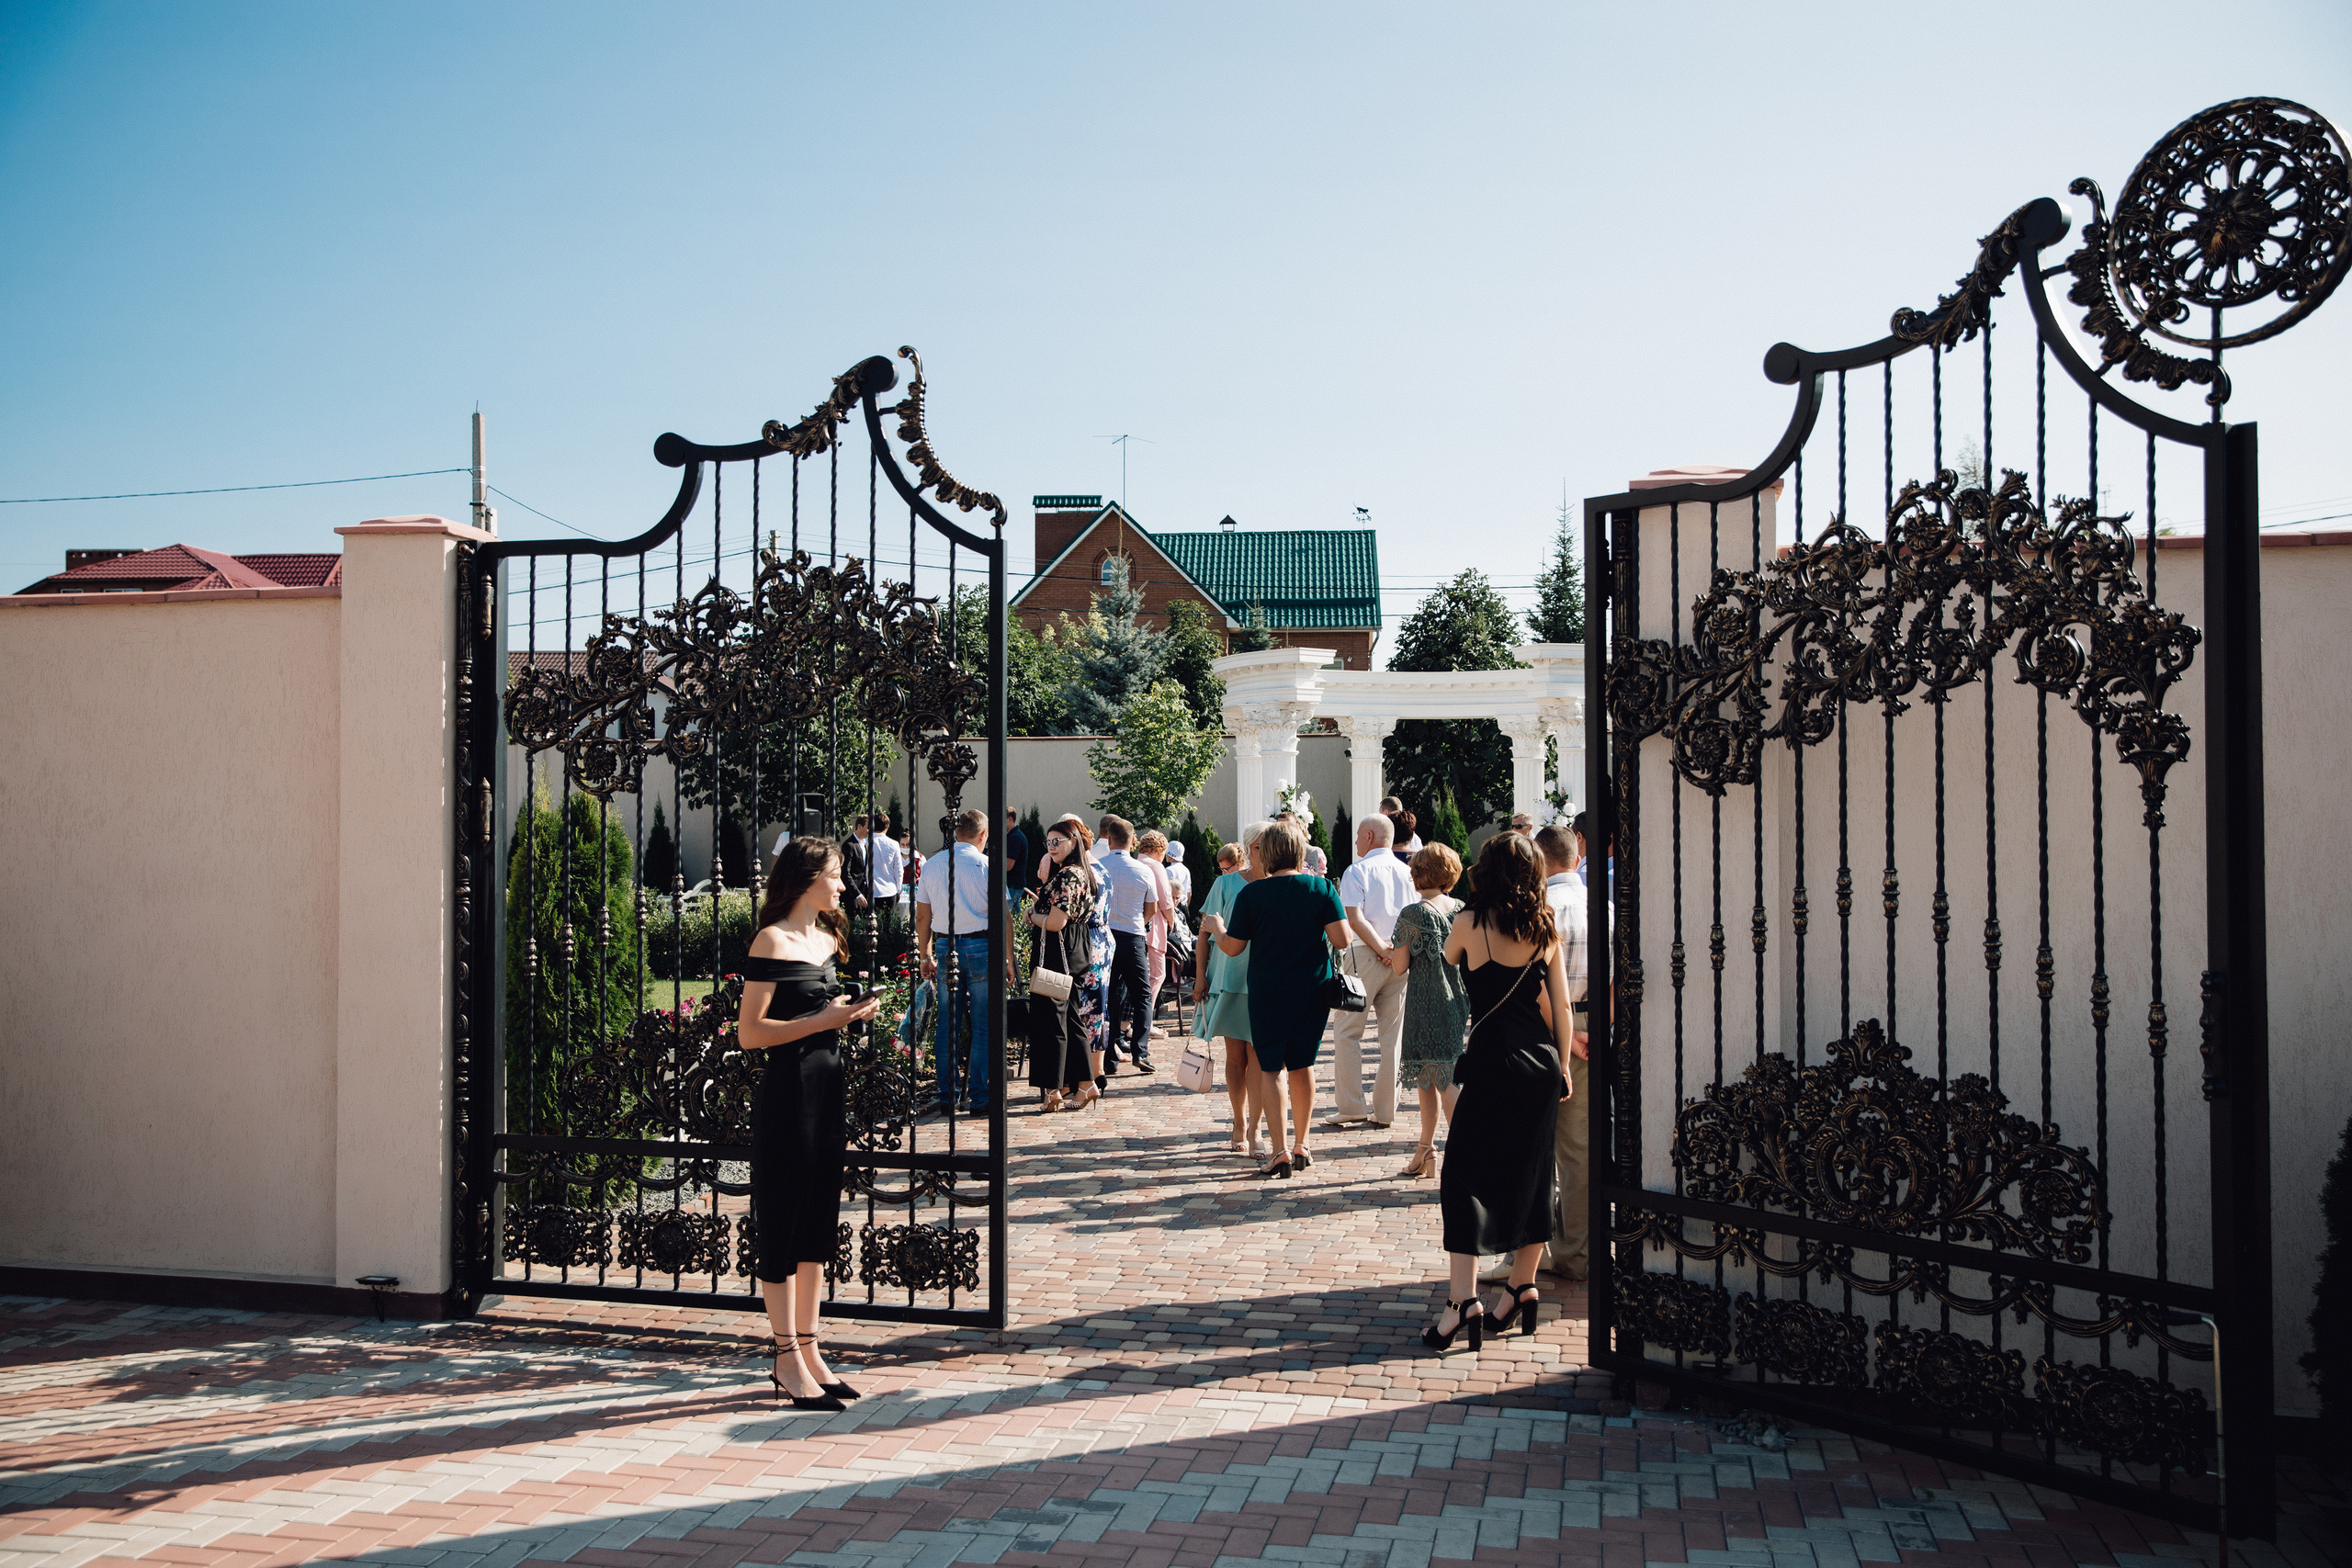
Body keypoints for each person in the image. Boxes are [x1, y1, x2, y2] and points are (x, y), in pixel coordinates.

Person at [736, 836, 882, 1410]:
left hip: (829, 1091)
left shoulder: (826, 939)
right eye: (836, 875)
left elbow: (820, 1016)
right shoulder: (770, 940)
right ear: (806, 879)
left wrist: (845, 1015)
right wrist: (823, 1020)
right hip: (788, 1095)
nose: (842, 885)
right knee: (783, 1220)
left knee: (818, 1220)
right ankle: (784, 1357)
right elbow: (751, 1033)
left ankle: (811, 1349)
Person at [1423, 831, 1575, 1355]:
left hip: (1490, 1059)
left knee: (1464, 1174)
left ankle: (1462, 1300)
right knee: (1534, 1175)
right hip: (1540, 1060)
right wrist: (1563, 1068)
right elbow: (1561, 1005)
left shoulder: (1468, 922)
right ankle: (1522, 1286)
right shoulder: (1544, 927)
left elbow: (1448, 956)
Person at [1217, 818, 1351, 1179]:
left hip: (1267, 989)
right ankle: (1302, 1143)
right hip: (1311, 988)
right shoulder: (1321, 889)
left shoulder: (1252, 894)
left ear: (1268, 854)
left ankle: (1279, 1149)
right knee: (1303, 1064)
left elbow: (1232, 948)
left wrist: (1217, 930)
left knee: (1271, 1067)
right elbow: (1342, 940)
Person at [1530, 822, 1593, 1281]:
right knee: (1578, 1149)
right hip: (1592, 1026)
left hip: (1549, 1026)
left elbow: (1535, 986)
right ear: (1576, 856)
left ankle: (1537, 1253)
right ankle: (1575, 1250)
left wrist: (1567, 1037)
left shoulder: (1541, 908)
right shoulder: (1604, 905)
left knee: (1536, 1146)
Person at [1327, 812, 1415, 1130]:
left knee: (1348, 1031)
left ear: (1368, 837)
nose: (1354, 842)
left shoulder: (1358, 870)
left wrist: (1381, 949)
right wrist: (1395, 951)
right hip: (1401, 958)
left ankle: (1351, 1106)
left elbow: (1355, 919)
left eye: (1358, 835)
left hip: (1367, 955)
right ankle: (1386, 1109)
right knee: (1393, 1036)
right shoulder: (1408, 873)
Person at [914, 808, 1005, 1116]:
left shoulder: (932, 865)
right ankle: (980, 1098)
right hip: (981, 945)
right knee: (982, 1025)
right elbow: (1002, 916)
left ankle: (948, 1097)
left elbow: (922, 916)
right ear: (982, 835)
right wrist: (1008, 959)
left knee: (947, 1026)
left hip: (944, 945)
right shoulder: (986, 865)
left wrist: (925, 954)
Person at [1394, 842, 1470, 1179]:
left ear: (1418, 874)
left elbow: (1399, 966)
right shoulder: (1462, 908)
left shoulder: (1413, 913)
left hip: (1426, 1002)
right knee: (1431, 1074)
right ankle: (1426, 1149)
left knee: (1442, 1077)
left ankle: (1463, 1156)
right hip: (1458, 998)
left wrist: (1390, 947)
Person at [1195, 830, 1269, 1156]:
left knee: (1259, 1059)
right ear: (1248, 848)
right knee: (1236, 1057)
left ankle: (1255, 1127)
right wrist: (1200, 976)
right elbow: (1203, 934)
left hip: (1265, 981)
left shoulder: (1280, 884)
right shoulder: (1224, 884)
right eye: (1257, 846)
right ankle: (1239, 1120)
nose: (1262, 852)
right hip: (1228, 978)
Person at [1024, 819, 1102, 1111]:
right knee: (1070, 1017)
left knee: (1052, 1019)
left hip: (1059, 952)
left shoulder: (1069, 875)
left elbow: (1056, 922)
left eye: (1058, 841)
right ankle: (1085, 1085)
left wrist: (1033, 916)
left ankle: (1054, 1090)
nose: (1052, 847)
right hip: (1073, 948)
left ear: (1073, 842)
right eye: (1048, 842)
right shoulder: (1079, 872)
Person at [1095, 816, 1168, 1073]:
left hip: (1106, 937)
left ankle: (1109, 1058)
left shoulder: (1099, 867)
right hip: (1133, 936)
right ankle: (1140, 1050)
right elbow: (1152, 907)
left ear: (1109, 839)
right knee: (1142, 995)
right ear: (1133, 840)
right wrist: (1139, 922)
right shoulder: (1143, 870)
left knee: (1109, 996)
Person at [1055, 814, 1115, 1090]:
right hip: (1103, 939)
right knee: (1097, 1006)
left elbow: (1061, 912)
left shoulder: (1074, 873)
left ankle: (1079, 1075)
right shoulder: (1101, 869)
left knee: (1077, 1007)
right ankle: (1097, 1069)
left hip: (1080, 940)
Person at [1136, 830, 1177, 1037]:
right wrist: (1172, 921)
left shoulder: (1136, 862)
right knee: (1156, 975)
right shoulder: (1155, 866)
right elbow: (1165, 900)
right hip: (1154, 926)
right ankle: (1145, 1023)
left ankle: (1131, 1022)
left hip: (1133, 926)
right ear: (1160, 850)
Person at [1002, 808, 1030, 912]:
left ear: (1009, 819)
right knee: (1015, 919)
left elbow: (1008, 866)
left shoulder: (1014, 838)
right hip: (1014, 885)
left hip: (1012, 886)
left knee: (1005, 919)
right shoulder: (1014, 836)